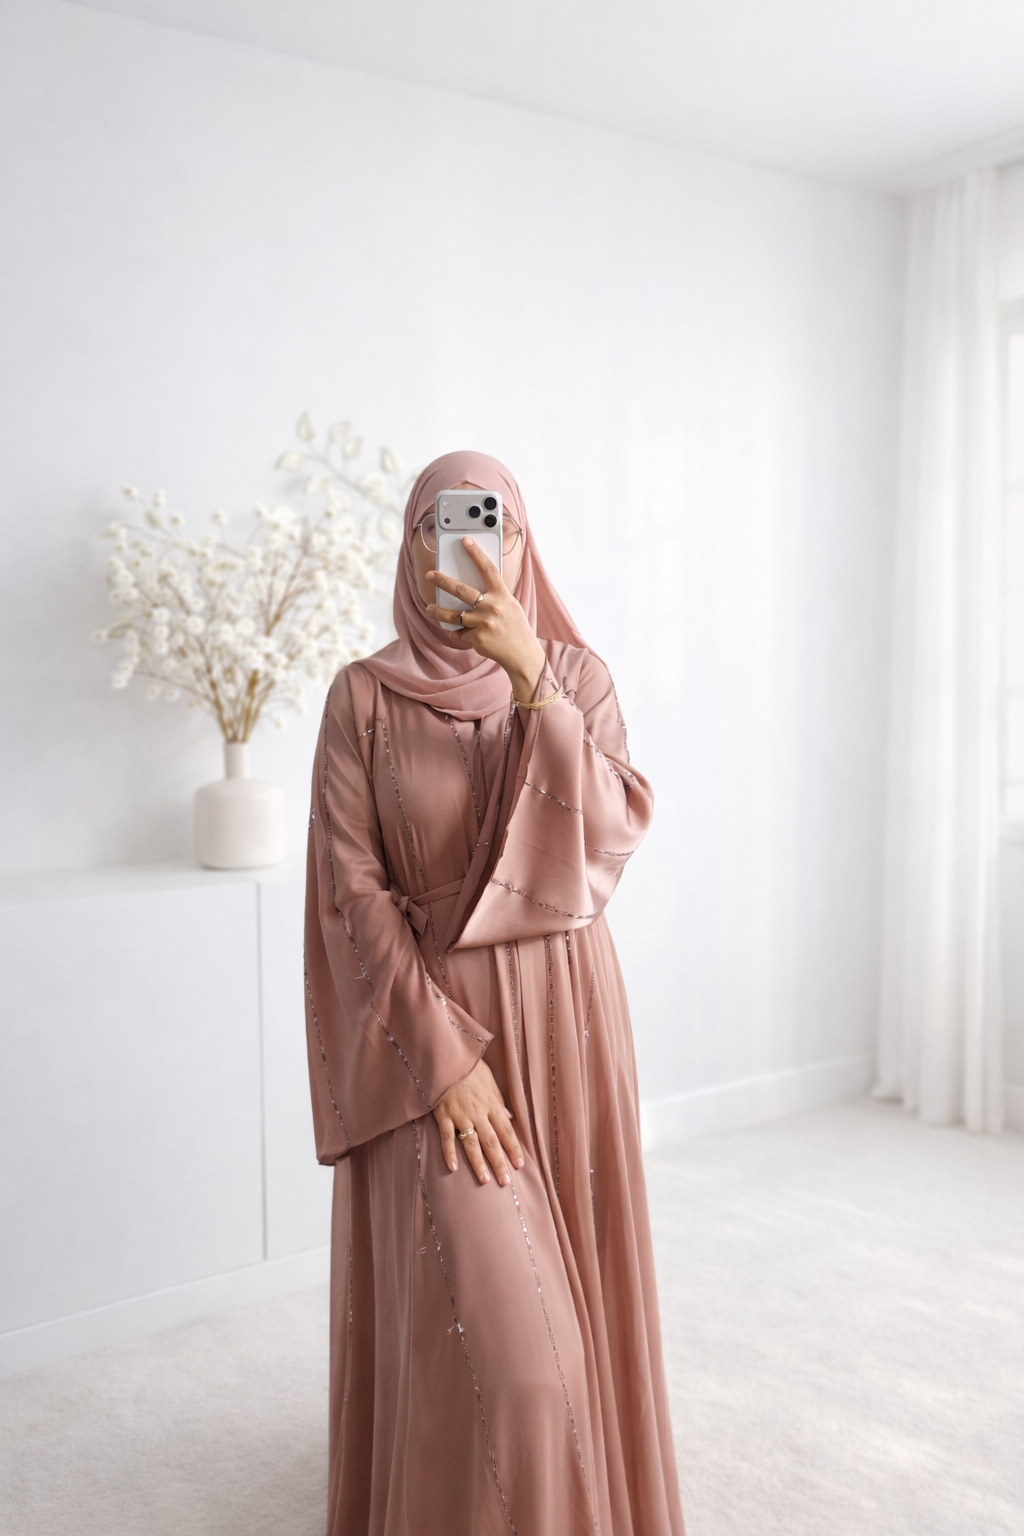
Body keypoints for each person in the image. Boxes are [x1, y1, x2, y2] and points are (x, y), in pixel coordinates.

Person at [304, 450, 684, 1536]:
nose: (469, 547)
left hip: (567, 1022)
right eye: (443, 525)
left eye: (492, 526)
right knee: (513, 1359)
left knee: (556, 1338)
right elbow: (351, 896)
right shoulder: (362, 698)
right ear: (411, 547)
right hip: (434, 1044)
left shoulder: (577, 676)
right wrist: (445, 1063)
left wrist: (532, 682)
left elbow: (609, 836)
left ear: (522, 546)